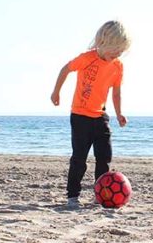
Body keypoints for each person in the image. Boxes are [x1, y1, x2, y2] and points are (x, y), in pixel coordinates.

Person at [50, 21, 131, 208]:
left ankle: (101, 195)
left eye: (121, 51)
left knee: (104, 156)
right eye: (115, 49)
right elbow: (65, 70)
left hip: (100, 116)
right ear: (103, 42)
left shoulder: (118, 66)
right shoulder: (87, 58)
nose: (118, 54)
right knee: (79, 158)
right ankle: (73, 196)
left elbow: (116, 92)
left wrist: (119, 113)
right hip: (79, 116)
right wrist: (56, 92)